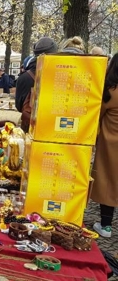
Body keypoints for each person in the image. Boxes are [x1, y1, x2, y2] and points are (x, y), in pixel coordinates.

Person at [92, 53, 118, 238]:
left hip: (111, 143)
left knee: (108, 183)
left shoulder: (110, 91)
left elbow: (97, 115)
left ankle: (106, 225)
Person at [15, 37, 58, 124]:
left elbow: (19, 107)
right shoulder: (60, 76)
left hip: (30, 126)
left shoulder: (23, 78)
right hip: (54, 126)